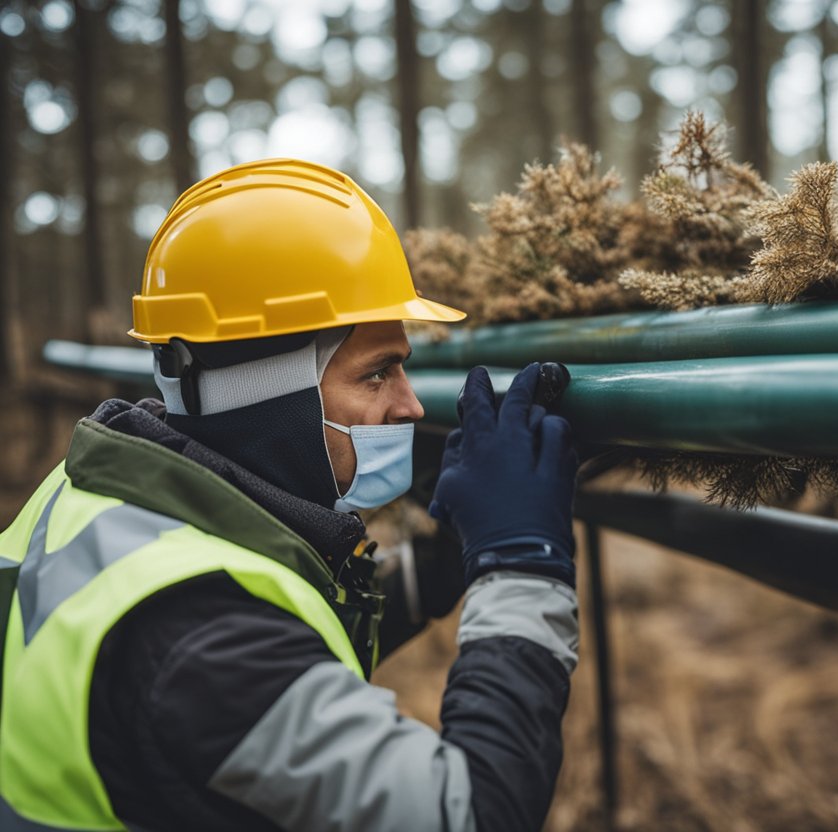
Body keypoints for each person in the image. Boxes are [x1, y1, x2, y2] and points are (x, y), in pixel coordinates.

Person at [0, 159, 580, 832]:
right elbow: (476, 814)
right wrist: (520, 562)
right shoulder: (204, 644)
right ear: (272, 397)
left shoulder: (106, 496)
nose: (413, 407)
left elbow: (284, 628)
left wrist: (455, 555)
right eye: (378, 374)